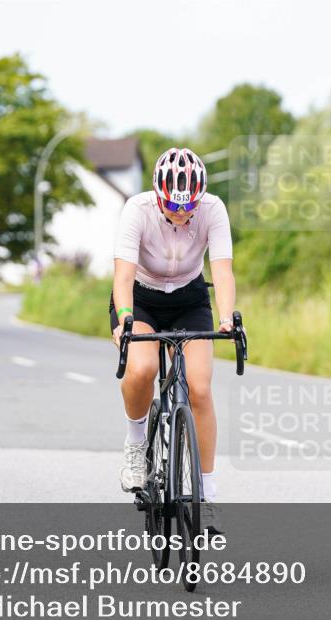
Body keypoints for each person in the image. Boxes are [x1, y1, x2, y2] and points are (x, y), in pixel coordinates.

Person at [109, 147, 235, 535]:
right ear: (158, 194)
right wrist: (126, 318)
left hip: (189, 298)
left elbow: (224, 271)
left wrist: (228, 317)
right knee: (143, 367)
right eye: (173, 206)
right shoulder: (137, 209)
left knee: (199, 388)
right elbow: (123, 276)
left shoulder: (213, 209)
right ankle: (135, 447)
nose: (181, 214)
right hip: (142, 300)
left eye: (188, 207)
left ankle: (207, 495)